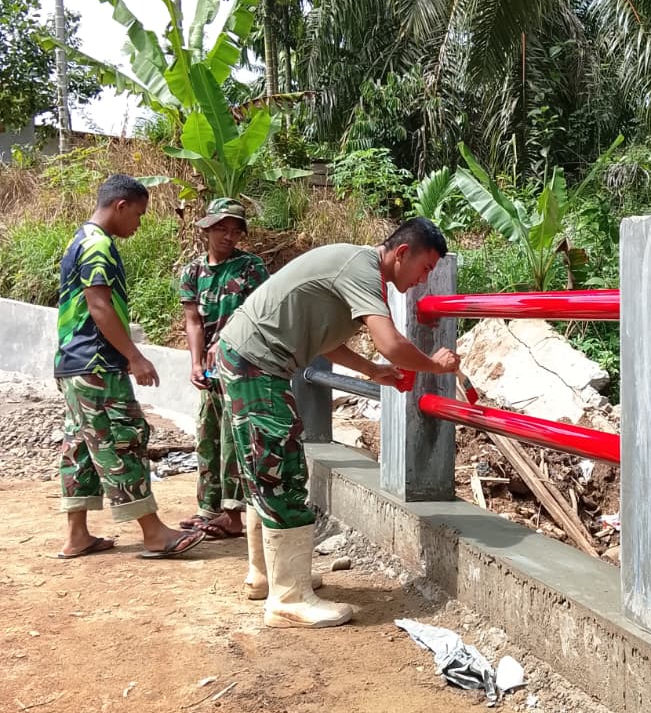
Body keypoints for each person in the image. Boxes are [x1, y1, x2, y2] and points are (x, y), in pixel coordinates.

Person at [216, 216, 460, 629]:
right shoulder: (363, 270)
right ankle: (288, 598)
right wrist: (433, 365)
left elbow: (326, 338)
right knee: (280, 469)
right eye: (426, 267)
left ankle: (267, 576)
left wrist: (373, 371)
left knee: (263, 467)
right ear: (402, 253)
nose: (425, 278)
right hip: (256, 365)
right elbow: (393, 343)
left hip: (249, 359)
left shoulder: (357, 268)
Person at [54, 174, 205, 560]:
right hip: (96, 363)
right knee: (123, 437)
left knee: (83, 445)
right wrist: (134, 356)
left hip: (74, 363)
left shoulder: (79, 238)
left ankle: (77, 536)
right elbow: (99, 306)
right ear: (120, 206)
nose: (138, 223)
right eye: (138, 214)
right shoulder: (97, 246)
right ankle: (153, 533)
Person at [178, 198, 269, 540]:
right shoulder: (192, 272)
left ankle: (233, 513)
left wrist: (225, 342)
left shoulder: (251, 267)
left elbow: (256, 314)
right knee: (207, 431)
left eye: (234, 231)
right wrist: (196, 361)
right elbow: (193, 322)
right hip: (211, 368)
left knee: (234, 436)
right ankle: (208, 506)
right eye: (221, 229)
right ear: (206, 229)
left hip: (242, 365)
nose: (228, 237)